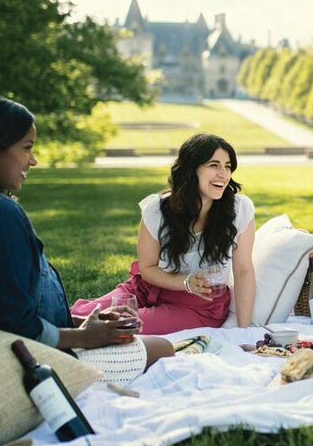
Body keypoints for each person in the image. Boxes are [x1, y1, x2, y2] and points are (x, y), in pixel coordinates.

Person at [0, 95, 174, 386]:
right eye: (26, 148)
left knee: (146, 342)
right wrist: (85, 338)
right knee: (163, 349)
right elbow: (15, 326)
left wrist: (85, 325)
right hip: (22, 361)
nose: (33, 160)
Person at [70, 133, 256, 333]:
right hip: (145, 289)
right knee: (78, 316)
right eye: (214, 165)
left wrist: (243, 331)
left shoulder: (238, 210)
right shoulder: (157, 210)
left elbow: (243, 270)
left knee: (120, 326)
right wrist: (185, 282)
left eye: (227, 166)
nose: (223, 174)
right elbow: (148, 268)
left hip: (197, 305)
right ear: (191, 169)